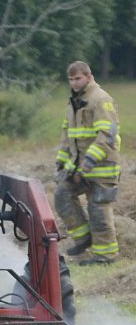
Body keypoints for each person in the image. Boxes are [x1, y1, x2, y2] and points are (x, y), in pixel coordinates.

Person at [54, 61, 122, 265]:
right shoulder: (74, 102)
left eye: (78, 78)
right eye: (71, 79)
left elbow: (107, 136)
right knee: (62, 196)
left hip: (101, 168)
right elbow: (68, 136)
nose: (74, 83)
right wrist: (61, 161)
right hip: (79, 168)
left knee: (99, 212)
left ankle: (105, 257)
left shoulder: (100, 99)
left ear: (89, 77)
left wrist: (88, 163)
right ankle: (84, 239)